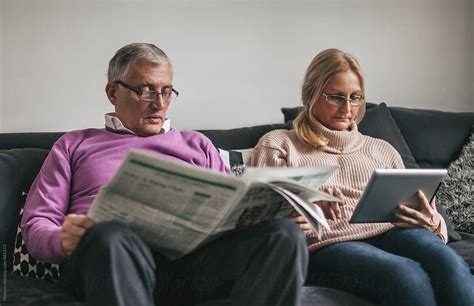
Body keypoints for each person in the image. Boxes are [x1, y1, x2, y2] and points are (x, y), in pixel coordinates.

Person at [21, 42, 309, 306]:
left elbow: (231, 212)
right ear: (113, 92)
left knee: (284, 235)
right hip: (112, 260)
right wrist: (63, 239)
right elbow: (37, 224)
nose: (159, 103)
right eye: (146, 90)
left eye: (166, 91)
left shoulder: (197, 145)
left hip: (193, 267)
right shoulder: (74, 144)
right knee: (109, 234)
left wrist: (274, 213)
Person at [251, 48, 474, 306]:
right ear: (310, 94)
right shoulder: (278, 144)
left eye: (355, 98)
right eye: (336, 97)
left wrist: (432, 223)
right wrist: (307, 208)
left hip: (394, 231)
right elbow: (262, 222)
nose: (348, 108)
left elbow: (430, 215)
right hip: (328, 243)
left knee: (450, 265)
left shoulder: (382, 148)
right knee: (406, 277)